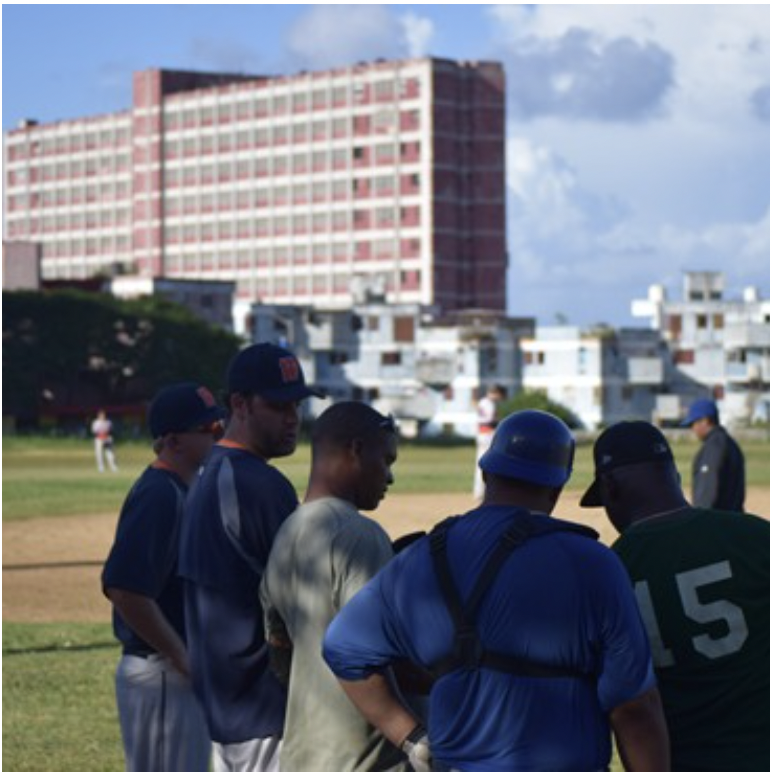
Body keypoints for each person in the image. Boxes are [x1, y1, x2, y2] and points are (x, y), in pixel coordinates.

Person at [323, 409, 670, 772]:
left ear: (487, 473)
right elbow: (634, 709)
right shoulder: (592, 564)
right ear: (557, 487)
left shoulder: (423, 557)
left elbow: (343, 648)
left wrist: (412, 739)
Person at [580, 420, 770, 772]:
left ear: (609, 486)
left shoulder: (608, 571)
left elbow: (624, 705)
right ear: (675, 475)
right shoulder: (757, 537)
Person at [178, 342, 323, 772]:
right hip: (264, 704)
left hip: (227, 702)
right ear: (239, 404)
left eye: (296, 403)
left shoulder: (212, 472)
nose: (293, 417)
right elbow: (309, 595)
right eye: (278, 405)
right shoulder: (257, 483)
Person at [259, 401, 406, 771]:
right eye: (386, 461)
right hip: (361, 758)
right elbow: (382, 654)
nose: (389, 477)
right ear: (356, 450)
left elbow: (279, 647)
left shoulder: (288, 531)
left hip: (303, 752)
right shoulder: (360, 535)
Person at [102, 381, 225, 772]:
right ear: (173, 440)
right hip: (161, 674)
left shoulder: (182, 489)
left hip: (173, 671)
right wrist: (182, 655)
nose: (218, 436)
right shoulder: (159, 495)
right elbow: (124, 588)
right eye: (208, 431)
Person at [680, 398, 745, 512]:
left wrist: (700, 519)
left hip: (718, 523)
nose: (693, 429)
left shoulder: (714, 446)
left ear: (705, 420)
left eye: (693, 423)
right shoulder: (731, 443)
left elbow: (707, 490)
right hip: (734, 519)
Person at [473, 384, 505, 500]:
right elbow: (490, 422)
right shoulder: (489, 404)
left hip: (481, 434)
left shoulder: (483, 402)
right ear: (496, 393)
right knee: (489, 464)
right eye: (499, 395)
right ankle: (486, 492)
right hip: (487, 435)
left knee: (481, 464)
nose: (499, 398)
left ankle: (479, 492)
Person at [91, 408, 118, 472]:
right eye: (101, 415)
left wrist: (107, 437)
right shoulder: (96, 422)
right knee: (99, 454)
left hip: (107, 439)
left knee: (110, 453)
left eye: (103, 415)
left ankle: (113, 467)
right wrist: (101, 436)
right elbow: (94, 432)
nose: (102, 416)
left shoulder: (108, 422)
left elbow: (111, 431)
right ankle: (101, 467)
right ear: (98, 415)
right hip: (99, 439)